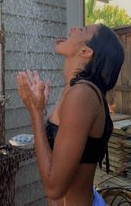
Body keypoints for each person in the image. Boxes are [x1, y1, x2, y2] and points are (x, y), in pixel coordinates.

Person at [17, 24, 124, 206]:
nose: (74, 28)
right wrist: (40, 110)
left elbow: (54, 188)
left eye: (82, 30)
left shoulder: (81, 95)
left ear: (85, 51)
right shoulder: (77, 90)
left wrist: (35, 113)